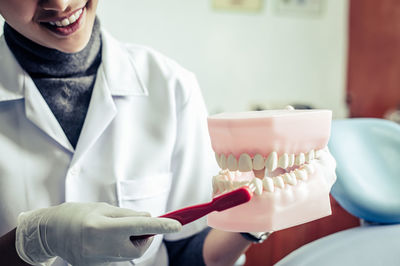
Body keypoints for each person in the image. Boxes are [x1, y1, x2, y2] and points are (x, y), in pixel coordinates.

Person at [0, 0, 259, 265]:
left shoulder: (171, 86)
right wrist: (33, 241)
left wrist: (255, 219)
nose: (61, 3)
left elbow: (187, 252)